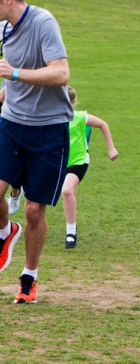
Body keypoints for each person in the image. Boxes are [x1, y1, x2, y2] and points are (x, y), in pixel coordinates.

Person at [0, 0, 71, 304]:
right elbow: (10, 78)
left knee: (34, 209)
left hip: (49, 129)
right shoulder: (4, 27)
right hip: (13, 124)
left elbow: (61, 73)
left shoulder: (44, 22)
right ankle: (5, 232)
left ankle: (29, 277)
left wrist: (15, 73)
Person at [61, 86, 118, 248]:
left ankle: (71, 232)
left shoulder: (80, 117)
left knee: (66, 191)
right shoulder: (52, 119)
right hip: (58, 163)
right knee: (67, 192)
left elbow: (103, 124)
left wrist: (111, 148)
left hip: (79, 161)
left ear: (70, 102)